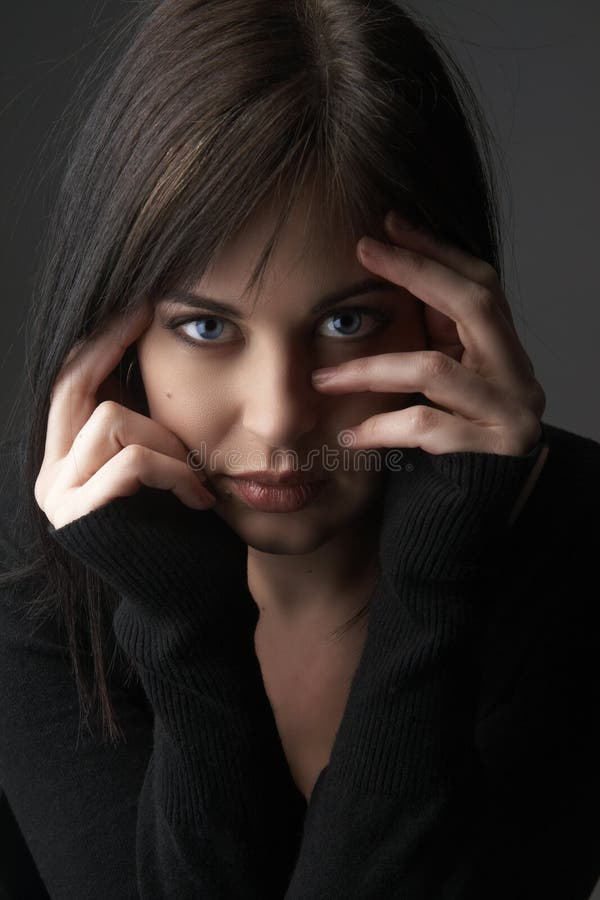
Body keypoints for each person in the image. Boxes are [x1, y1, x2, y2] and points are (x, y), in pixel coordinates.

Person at [0, 1, 598, 898]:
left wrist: (436, 580)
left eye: (347, 322)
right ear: (115, 339)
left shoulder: (583, 553)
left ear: (454, 319)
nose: (279, 420)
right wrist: (180, 624)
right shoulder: (34, 605)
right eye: (205, 326)